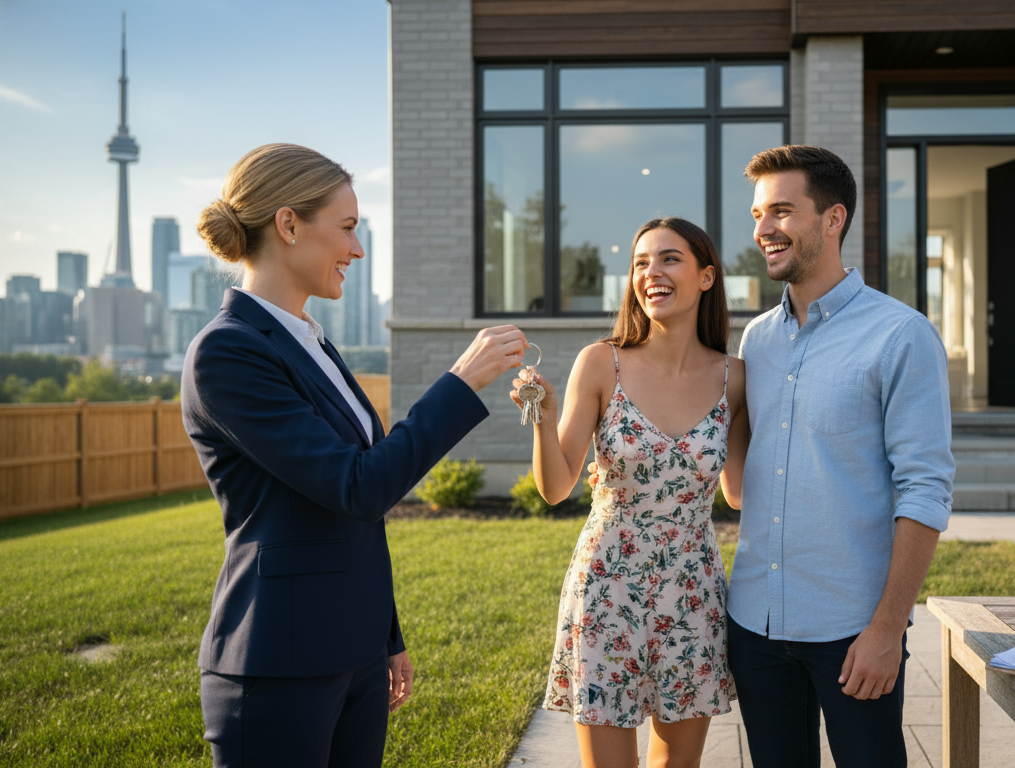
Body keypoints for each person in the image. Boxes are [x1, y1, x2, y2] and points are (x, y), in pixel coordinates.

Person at [183, 143, 526, 768]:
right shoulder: (227, 353)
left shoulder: (310, 341)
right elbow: (358, 485)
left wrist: (384, 638)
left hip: (356, 654)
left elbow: (354, 515)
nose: (357, 249)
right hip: (280, 663)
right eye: (346, 228)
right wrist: (459, 382)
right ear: (288, 225)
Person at [726, 145, 954, 766]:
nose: (763, 230)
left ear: (833, 219)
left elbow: (926, 490)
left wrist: (887, 630)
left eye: (780, 211)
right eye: (756, 214)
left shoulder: (901, 334)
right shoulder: (757, 339)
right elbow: (741, 488)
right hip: (755, 622)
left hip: (853, 628)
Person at [510, 217, 749, 768]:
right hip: (608, 586)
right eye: (641, 262)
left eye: (669, 259)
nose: (651, 273)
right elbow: (554, 487)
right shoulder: (601, 362)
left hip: (692, 590)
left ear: (706, 276)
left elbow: (737, 493)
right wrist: (541, 415)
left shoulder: (733, 378)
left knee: (677, 765)